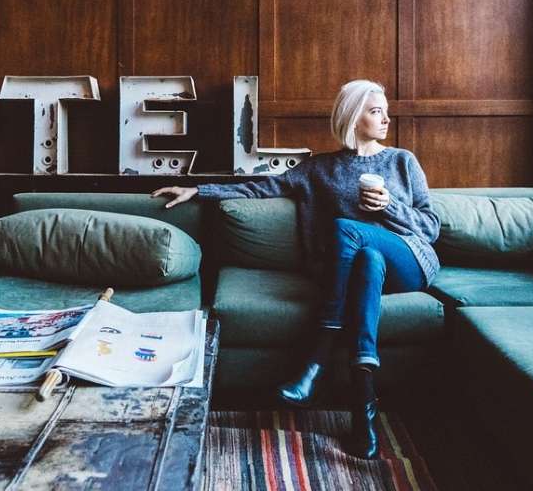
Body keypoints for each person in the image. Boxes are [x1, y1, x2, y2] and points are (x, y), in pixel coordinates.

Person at [150, 79, 440, 458]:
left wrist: (389, 207)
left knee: (348, 231)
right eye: (375, 111)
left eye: (384, 110)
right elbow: (260, 188)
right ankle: (362, 412)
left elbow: (430, 227)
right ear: (353, 118)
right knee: (368, 258)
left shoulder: (402, 161)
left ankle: (316, 359)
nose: (387, 118)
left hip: (411, 261)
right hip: (364, 274)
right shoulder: (320, 168)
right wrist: (198, 190)